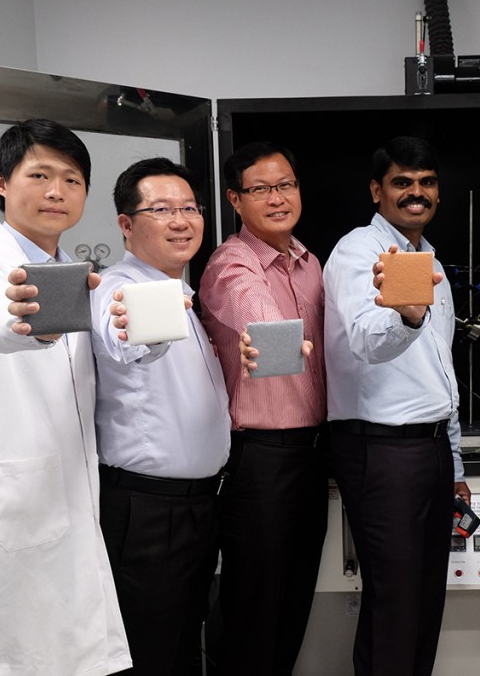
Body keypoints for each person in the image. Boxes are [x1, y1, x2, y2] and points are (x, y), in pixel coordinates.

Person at [0, 118, 131, 675]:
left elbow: (118, 342)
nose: (56, 191)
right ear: (0, 183)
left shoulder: (83, 276)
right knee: (1, 655)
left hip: (67, 502)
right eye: (38, 174)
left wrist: (143, 338)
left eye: (71, 179)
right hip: (1, 516)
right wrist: (25, 317)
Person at [322, 135, 470, 676]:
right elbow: (365, 339)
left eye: (426, 183)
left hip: (426, 450)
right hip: (381, 451)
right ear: (376, 191)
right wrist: (406, 316)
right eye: (402, 182)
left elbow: (441, 373)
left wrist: (452, 460)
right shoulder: (360, 251)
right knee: (395, 603)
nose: (416, 193)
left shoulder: (426, 260)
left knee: (426, 600)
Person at [92, 157, 231, 675]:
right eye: (161, 210)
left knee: (180, 646)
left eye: (189, 208)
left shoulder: (184, 295)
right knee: (149, 650)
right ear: (126, 224)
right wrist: (137, 332)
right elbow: (122, 338)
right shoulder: (116, 288)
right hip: (148, 511)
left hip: (197, 506)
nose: (181, 220)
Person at [198, 142, 327, 675]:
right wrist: (272, 336)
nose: (278, 198)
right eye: (261, 189)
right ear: (235, 198)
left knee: (295, 601)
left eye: (287, 185)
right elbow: (253, 308)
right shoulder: (230, 262)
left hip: (312, 456)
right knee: (254, 609)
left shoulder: (310, 262)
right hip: (259, 461)